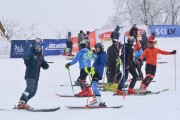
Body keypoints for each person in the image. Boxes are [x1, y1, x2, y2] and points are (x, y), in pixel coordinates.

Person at [17, 40, 49, 109]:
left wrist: (45, 65)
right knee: (29, 89)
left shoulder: (41, 56)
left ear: (41, 48)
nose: (38, 48)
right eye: (36, 47)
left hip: (36, 76)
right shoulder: (31, 53)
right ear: (34, 47)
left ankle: (23, 103)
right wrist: (26, 61)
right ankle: (21, 102)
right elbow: (25, 57)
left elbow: (43, 64)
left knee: (33, 92)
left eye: (39, 47)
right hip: (30, 74)